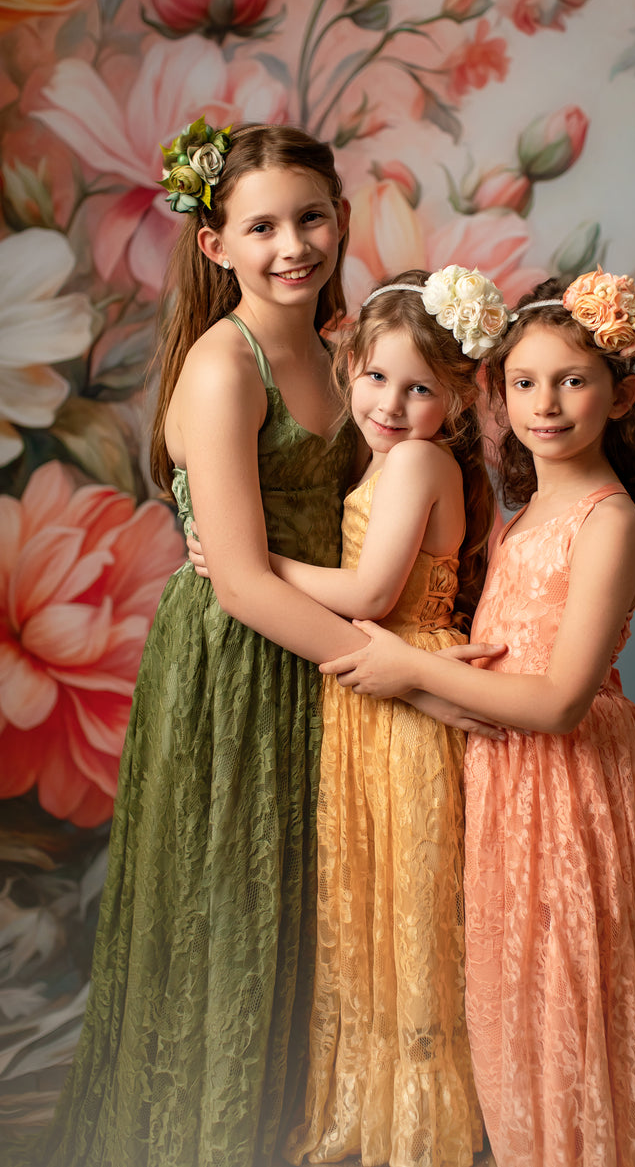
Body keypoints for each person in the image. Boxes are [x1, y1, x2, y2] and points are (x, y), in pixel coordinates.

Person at [320, 269, 635, 1167]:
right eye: (525, 382)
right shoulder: (526, 510)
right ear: (495, 392)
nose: (546, 404)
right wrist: (451, 669)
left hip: (583, 799)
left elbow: (563, 698)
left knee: (585, 1035)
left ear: (623, 395)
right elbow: (512, 648)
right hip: (511, 791)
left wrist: (408, 665)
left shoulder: (606, 521)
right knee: (522, 1036)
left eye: (573, 381)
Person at [6, 118, 373, 1167]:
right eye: (261, 227)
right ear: (216, 246)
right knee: (238, 919)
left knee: (319, 912)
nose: (291, 245)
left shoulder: (338, 348)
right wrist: (399, 671)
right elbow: (246, 584)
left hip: (325, 643)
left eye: (310, 218)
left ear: (341, 220)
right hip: (243, 665)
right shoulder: (227, 367)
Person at [265, 265, 505, 1167]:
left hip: (405, 695)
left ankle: (423, 1129)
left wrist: (256, 563)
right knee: (373, 901)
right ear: (351, 364)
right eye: (377, 378)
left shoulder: (417, 459)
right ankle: (380, 1111)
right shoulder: (392, 458)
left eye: (421, 389)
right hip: (374, 693)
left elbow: (370, 591)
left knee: (409, 906)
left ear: (457, 396)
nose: (393, 405)